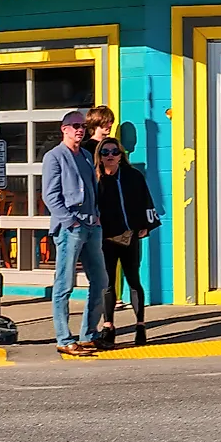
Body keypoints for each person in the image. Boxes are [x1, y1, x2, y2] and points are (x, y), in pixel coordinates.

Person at [41, 110, 101, 356]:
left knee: (101, 281)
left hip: (91, 225)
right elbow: (50, 195)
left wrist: (96, 216)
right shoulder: (54, 157)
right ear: (64, 129)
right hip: (70, 227)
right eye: (75, 126)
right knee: (64, 284)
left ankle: (89, 334)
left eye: (83, 126)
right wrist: (70, 221)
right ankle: (64, 338)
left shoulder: (86, 155)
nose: (80, 130)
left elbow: (92, 189)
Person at [91, 138, 158, 348]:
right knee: (108, 283)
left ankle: (140, 325)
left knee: (133, 279)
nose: (110, 155)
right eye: (105, 152)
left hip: (129, 235)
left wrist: (146, 224)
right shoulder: (95, 178)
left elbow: (146, 201)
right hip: (105, 236)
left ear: (121, 155)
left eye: (114, 152)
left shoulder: (132, 176)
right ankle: (108, 326)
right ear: (99, 157)